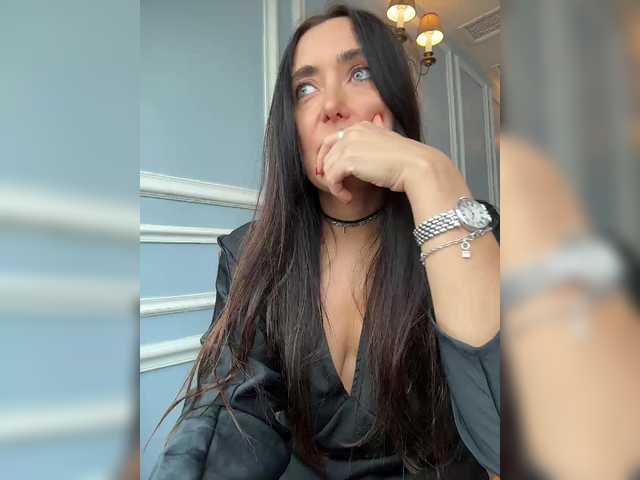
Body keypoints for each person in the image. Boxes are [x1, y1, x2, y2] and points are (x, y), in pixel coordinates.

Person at [148, 5, 500, 479]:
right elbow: (232, 411)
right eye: (306, 89)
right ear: (291, 127)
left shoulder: (465, 226)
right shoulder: (247, 253)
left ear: (396, 101)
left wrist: (429, 171)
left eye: (360, 73)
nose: (331, 105)